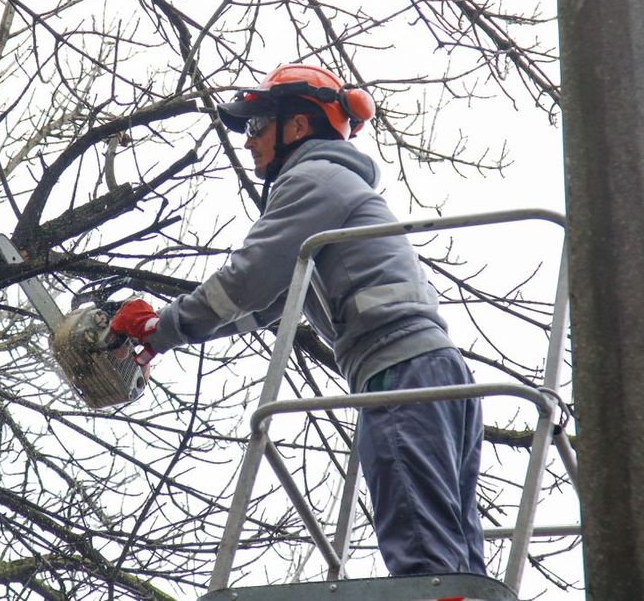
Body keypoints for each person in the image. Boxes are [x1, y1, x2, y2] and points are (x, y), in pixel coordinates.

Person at [110, 64, 486, 577]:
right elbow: (263, 307)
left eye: (258, 125)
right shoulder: (333, 192)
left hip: (401, 378)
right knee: (453, 557)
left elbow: (248, 279)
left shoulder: (314, 181)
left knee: (425, 562)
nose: (248, 142)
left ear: (299, 127)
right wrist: (167, 337)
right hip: (429, 374)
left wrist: (161, 326)